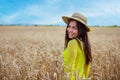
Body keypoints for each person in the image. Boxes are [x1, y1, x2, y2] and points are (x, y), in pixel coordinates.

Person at [62, 12, 92, 80]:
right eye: (69, 26)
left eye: (74, 28)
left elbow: (69, 69)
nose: (70, 30)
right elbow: (87, 68)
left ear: (81, 30)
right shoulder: (85, 44)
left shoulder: (73, 43)